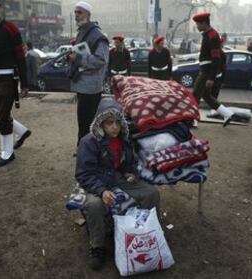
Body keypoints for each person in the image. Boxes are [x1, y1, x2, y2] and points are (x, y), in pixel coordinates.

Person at [75, 98, 160, 270]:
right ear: (100, 124)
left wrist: (131, 173)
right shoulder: (88, 142)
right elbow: (83, 173)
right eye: (109, 123)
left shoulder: (124, 138)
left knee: (152, 193)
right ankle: (97, 246)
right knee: (93, 204)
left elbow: (128, 163)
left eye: (117, 123)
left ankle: (149, 233)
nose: (114, 127)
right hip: (97, 180)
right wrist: (101, 190)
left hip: (117, 177)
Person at [0, 0, 31, 167]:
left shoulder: (11, 28)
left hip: (7, 79)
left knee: (2, 117)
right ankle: (22, 131)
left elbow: (20, 57)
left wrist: (24, 84)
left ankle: (7, 153)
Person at [68, 1, 109, 146]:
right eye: (75, 12)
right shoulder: (82, 32)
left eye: (79, 12)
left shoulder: (97, 35)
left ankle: (87, 150)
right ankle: (84, 148)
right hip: (83, 86)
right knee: (83, 121)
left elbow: (101, 60)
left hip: (91, 88)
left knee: (88, 122)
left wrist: (78, 58)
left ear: (88, 14)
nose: (76, 15)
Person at [192, 12, 235, 127]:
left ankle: (192, 120)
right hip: (206, 69)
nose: (197, 27)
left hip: (206, 71)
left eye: (198, 24)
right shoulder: (208, 34)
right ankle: (227, 114)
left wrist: (211, 77)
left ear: (204, 23)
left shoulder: (212, 35)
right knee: (206, 96)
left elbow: (216, 58)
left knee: (195, 94)